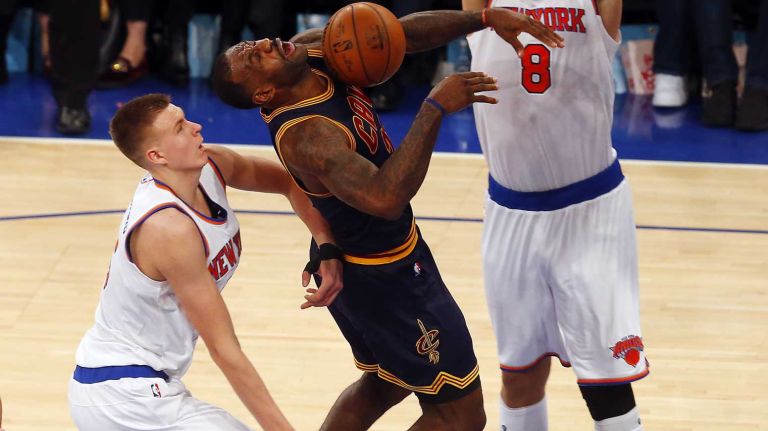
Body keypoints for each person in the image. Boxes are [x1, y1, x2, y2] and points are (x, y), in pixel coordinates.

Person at [212, 8, 563, 430]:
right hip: (382, 278)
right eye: (257, 58)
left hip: (354, 256)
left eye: (255, 44)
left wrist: (484, 18)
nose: (267, 44)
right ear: (265, 93)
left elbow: (394, 35)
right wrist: (434, 108)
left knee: (386, 381)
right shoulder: (310, 135)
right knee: (461, 417)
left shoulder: (307, 50)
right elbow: (385, 198)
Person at [67, 93, 343, 431]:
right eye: (180, 127)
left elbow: (289, 181)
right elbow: (224, 349)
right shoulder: (169, 229)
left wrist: (325, 243)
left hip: (139, 383)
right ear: (157, 156)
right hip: (122, 394)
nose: (197, 127)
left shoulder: (212, 165)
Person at [465, 1, 648, 430]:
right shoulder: (484, 8)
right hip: (511, 213)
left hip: (591, 213)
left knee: (607, 381)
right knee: (520, 374)